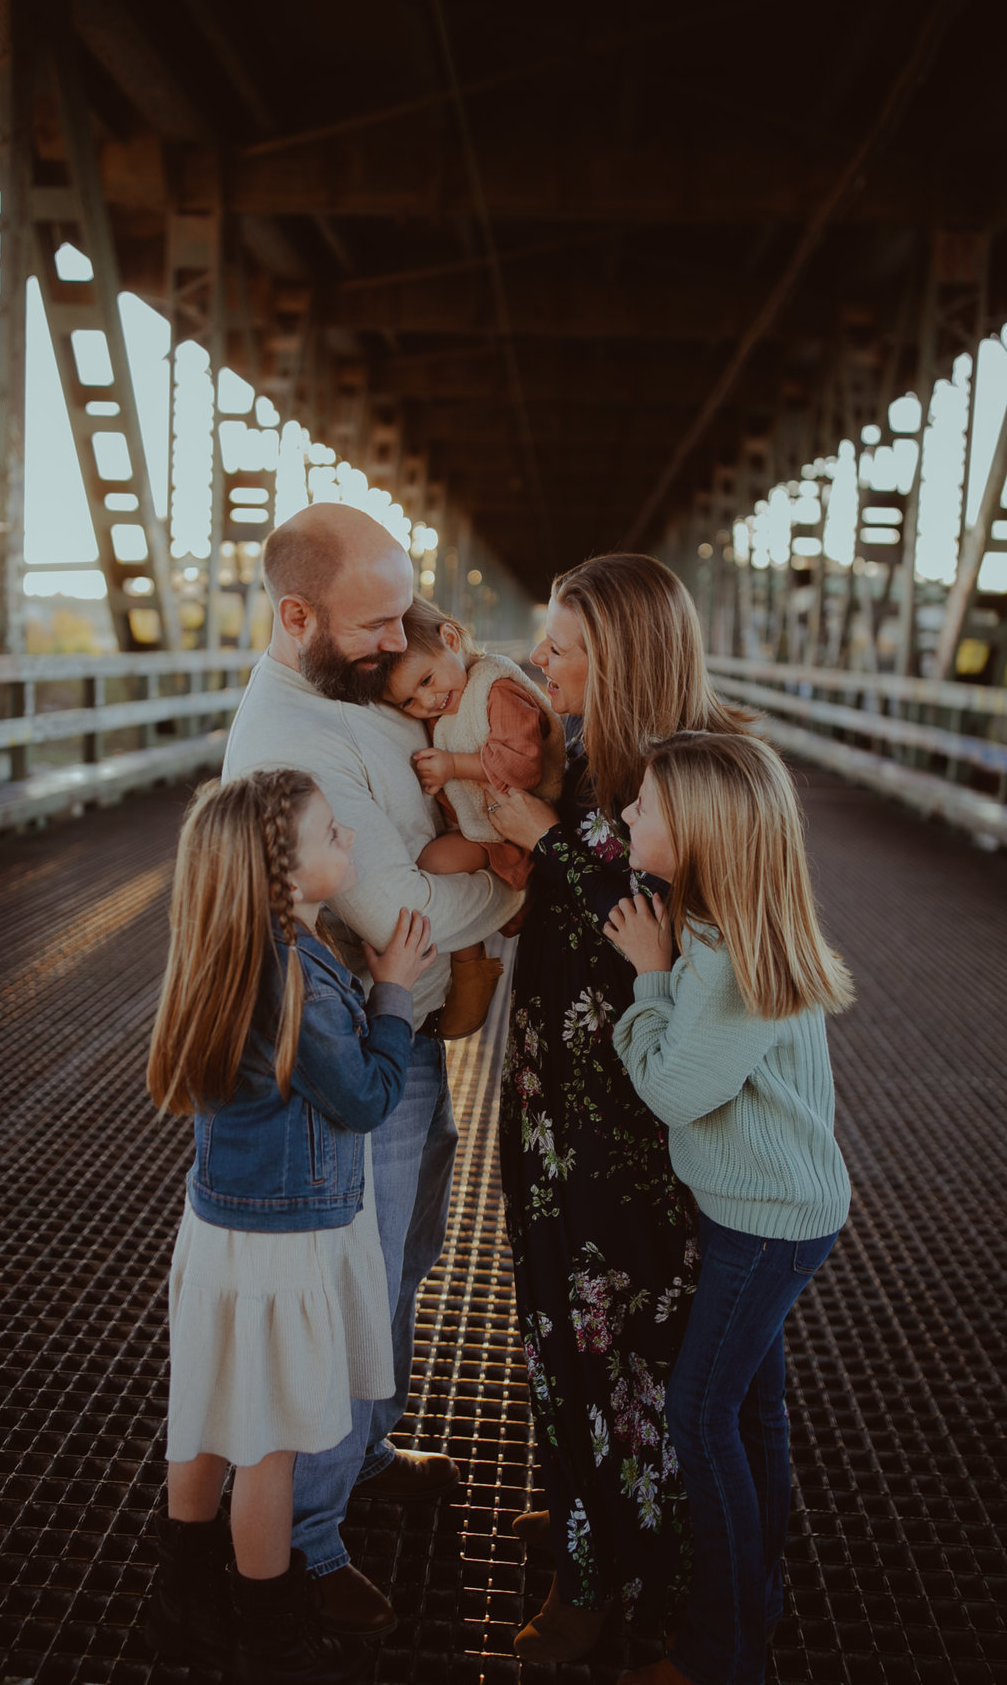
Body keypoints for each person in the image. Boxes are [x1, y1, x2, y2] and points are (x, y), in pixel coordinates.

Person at [220, 503, 523, 1638]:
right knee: (349, 1289)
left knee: (400, 1260)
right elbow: (400, 910)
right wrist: (524, 876)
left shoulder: (349, 689)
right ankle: (303, 1544)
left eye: (406, 613)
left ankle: (367, 1451)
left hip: (397, 1036)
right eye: (372, 624)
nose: (400, 644)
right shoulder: (294, 738)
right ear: (296, 615)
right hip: (346, 1058)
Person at [486, 552, 753, 1664]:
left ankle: (602, 1577)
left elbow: (660, 912)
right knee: (554, 1328)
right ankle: (586, 1506)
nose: (539, 658)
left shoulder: (694, 770)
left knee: (614, 1349)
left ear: (623, 657)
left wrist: (542, 836)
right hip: (549, 1089)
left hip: (626, 1117)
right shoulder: (585, 753)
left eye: (562, 644)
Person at [145, 769, 437, 1684]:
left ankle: (182, 1602)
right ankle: (267, 1639)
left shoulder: (229, 944)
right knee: (266, 1452)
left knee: (201, 1417)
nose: (345, 834)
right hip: (282, 1243)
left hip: (221, 1231)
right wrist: (391, 993)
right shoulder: (298, 977)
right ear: (283, 874)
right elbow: (362, 1100)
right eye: (327, 832)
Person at [606, 732, 854, 1685]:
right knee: (752, 1411)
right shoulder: (724, 924)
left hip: (767, 1221)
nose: (628, 816)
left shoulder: (724, 952)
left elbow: (671, 1091)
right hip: (758, 1205)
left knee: (697, 1416)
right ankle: (751, 1606)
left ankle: (723, 1656)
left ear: (702, 828)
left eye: (645, 805)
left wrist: (648, 974)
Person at [382, 596, 565, 1038]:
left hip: (519, 826)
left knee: (434, 864)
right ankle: (471, 969)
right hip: (484, 824)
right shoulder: (448, 702)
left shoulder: (496, 688)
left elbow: (523, 766)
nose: (427, 700)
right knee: (430, 863)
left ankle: (470, 969)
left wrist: (451, 766)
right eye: (410, 701)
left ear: (451, 639)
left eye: (426, 679)